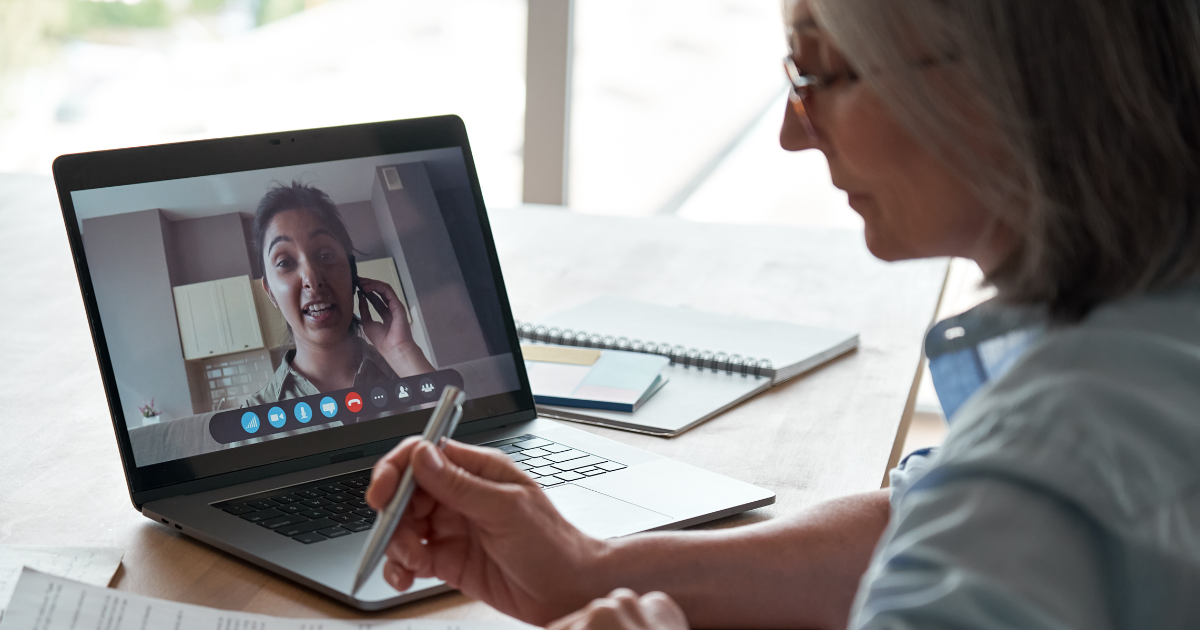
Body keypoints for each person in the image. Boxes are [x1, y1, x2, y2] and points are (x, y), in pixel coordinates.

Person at [366, 1, 1200, 628]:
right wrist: (587, 567)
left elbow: (989, 513)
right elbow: (924, 515)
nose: (792, 135)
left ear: (999, 74)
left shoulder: (1054, 456)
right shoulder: (1143, 342)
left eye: (819, 73)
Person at [243, 182, 434, 407]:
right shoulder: (256, 414)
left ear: (352, 271)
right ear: (271, 293)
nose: (312, 280)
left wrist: (403, 353)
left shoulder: (406, 375)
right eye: (285, 262)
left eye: (325, 255)